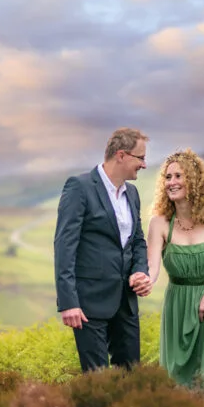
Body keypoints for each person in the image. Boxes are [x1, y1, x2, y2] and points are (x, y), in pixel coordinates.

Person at [54, 127, 153, 372]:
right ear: (121, 155)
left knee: (131, 377)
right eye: (140, 158)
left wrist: (141, 271)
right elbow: (65, 245)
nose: (144, 164)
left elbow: (137, 241)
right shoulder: (79, 187)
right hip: (89, 304)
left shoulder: (132, 193)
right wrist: (68, 302)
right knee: (97, 380)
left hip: (126, 302)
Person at [146, 149, 204, 388]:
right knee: (179, 386)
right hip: (178, 310)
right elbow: (152, 268)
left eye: (179, 176)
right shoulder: (159, 223)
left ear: (195, 181)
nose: (172, 182)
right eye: (168, 177)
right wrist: (143, 280)